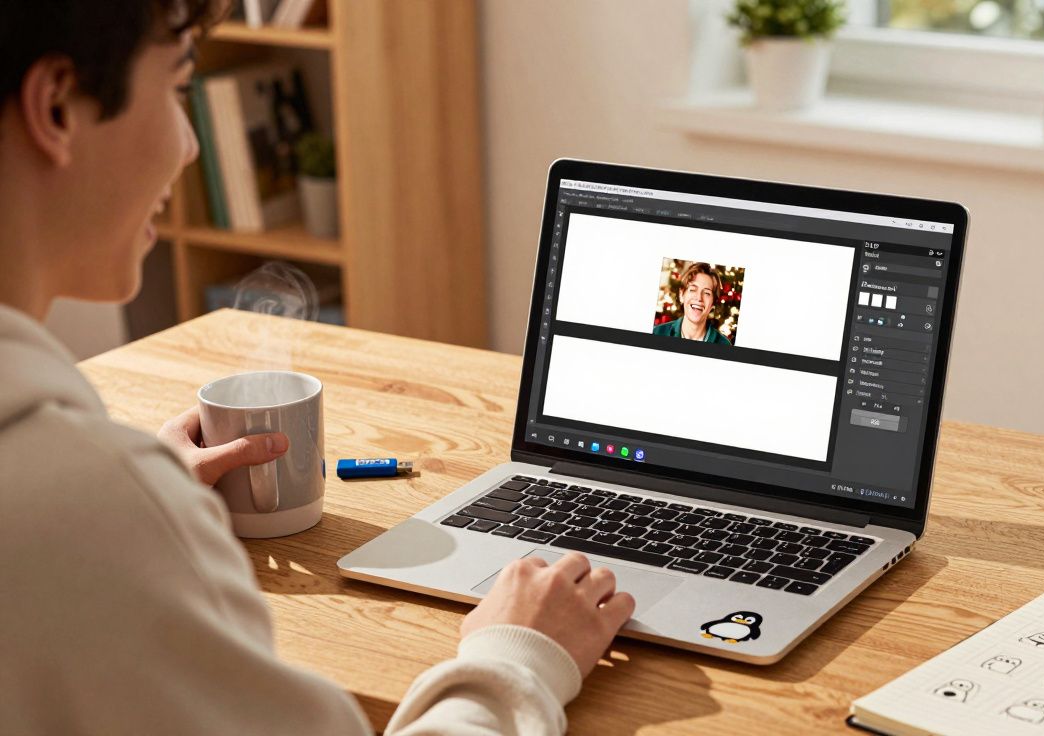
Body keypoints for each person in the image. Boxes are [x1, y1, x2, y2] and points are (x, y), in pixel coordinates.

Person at [0, 2, 634, 734]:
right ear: (55, 107)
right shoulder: (89, 516)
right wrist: (519, 658)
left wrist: (145, 496)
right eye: (178, 89)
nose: (189, 147)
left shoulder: (92, 499)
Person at [652, 261, 732, 345]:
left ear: (713, 304)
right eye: (693, 290)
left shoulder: (724, 344)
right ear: (681, 295)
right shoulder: (656, 333)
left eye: (707, 293)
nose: (699, 298)